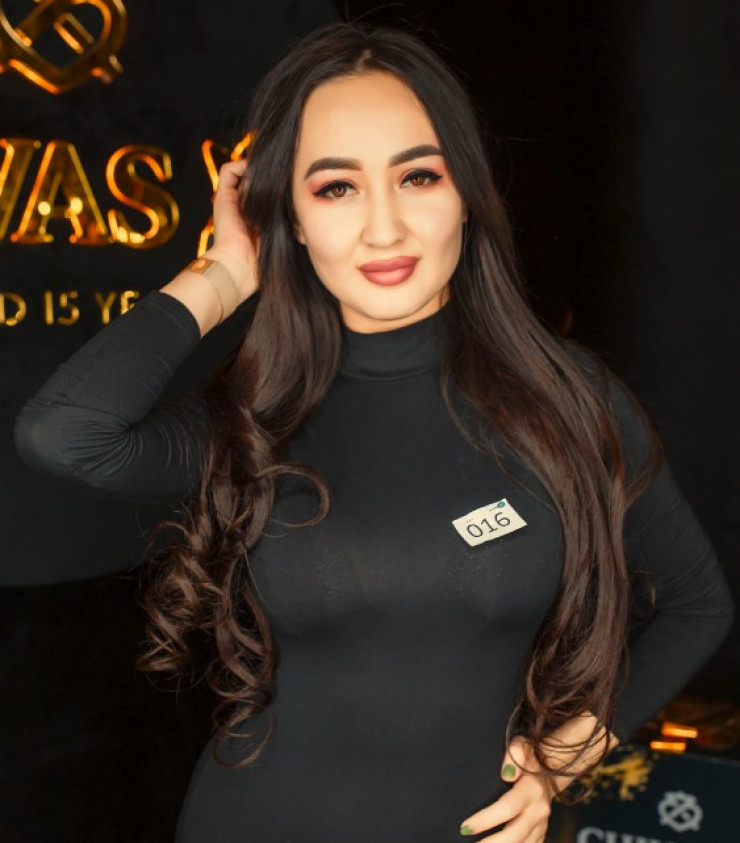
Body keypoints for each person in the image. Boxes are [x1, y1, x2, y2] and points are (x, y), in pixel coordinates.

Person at [14, 21, 734, 843]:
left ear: (466, 191)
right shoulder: (253, 420)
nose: (384, 229)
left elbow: (697, 604)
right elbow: (65, 433)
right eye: (336, 188)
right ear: (290, 217)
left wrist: (565, 756)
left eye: (418, 176)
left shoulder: (572, 401)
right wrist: (227, 271)